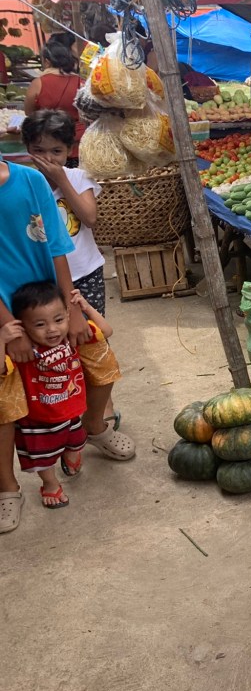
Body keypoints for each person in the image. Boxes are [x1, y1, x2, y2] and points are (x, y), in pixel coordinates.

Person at [0, 154, 133, 534]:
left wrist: (71, 308)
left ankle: (93, 426)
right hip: (4, 315)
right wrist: (9, 327)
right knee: (5, 404)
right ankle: (7, 487)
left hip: (52, 303)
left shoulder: (29, 180)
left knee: (100, 360)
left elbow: (57, 245)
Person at [22, 109, 120, 429]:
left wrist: (62, 180)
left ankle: (102, 406)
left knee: (92, 339)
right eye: (39, 150)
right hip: (47, 281)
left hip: (86, 274)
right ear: (27, 149)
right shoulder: (24, 184)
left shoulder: (78, 178)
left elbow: (89, 218)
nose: (48, 158)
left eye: (56, 151)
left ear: (69, 151)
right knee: (55, 344)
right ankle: (68, 402)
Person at [0, 283, 113, 509]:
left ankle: (71, 451)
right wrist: (2, 339)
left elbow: (106, 331)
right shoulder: (25, 350)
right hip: (38, 420)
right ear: (23, 326)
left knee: (76, 440)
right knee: (43, 458)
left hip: (72, 410)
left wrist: (85, 308)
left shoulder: (69, 338)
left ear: (67, 315)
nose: (52, 329)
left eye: (58, 320)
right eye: (40, 324)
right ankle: (50, 484)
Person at [22, 40, 85, 164]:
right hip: (78, 141)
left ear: (47, 61)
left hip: (47, 144)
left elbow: (29, 113)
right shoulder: (80, 81)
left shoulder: (39, 83)